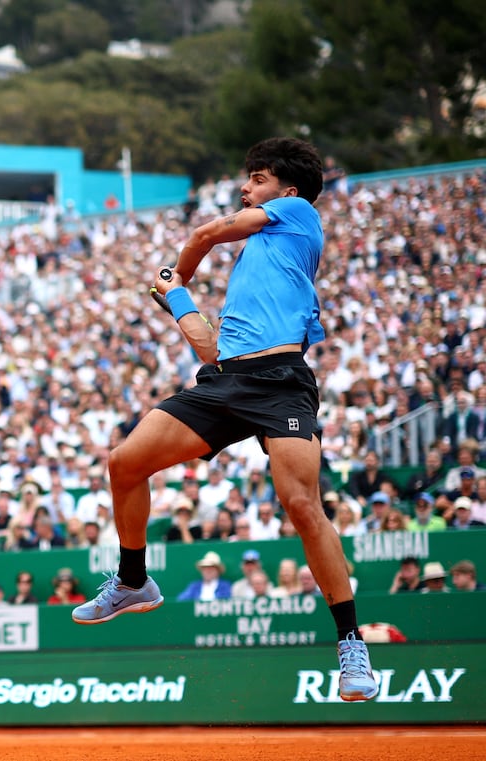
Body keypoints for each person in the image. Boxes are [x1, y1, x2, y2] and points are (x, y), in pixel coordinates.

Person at [70, 137, 378, 701]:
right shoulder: (254, 263)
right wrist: (181, 302)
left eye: (256, 179)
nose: (245, 186)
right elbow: (211, 353)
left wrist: (175, 273)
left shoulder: (299, 212)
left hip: (282, 383)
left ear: (284, 190)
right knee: (125, 463)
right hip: (225, 382)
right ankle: (134, 581)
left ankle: (351, 644)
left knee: (302, 505)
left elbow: (203, 233)